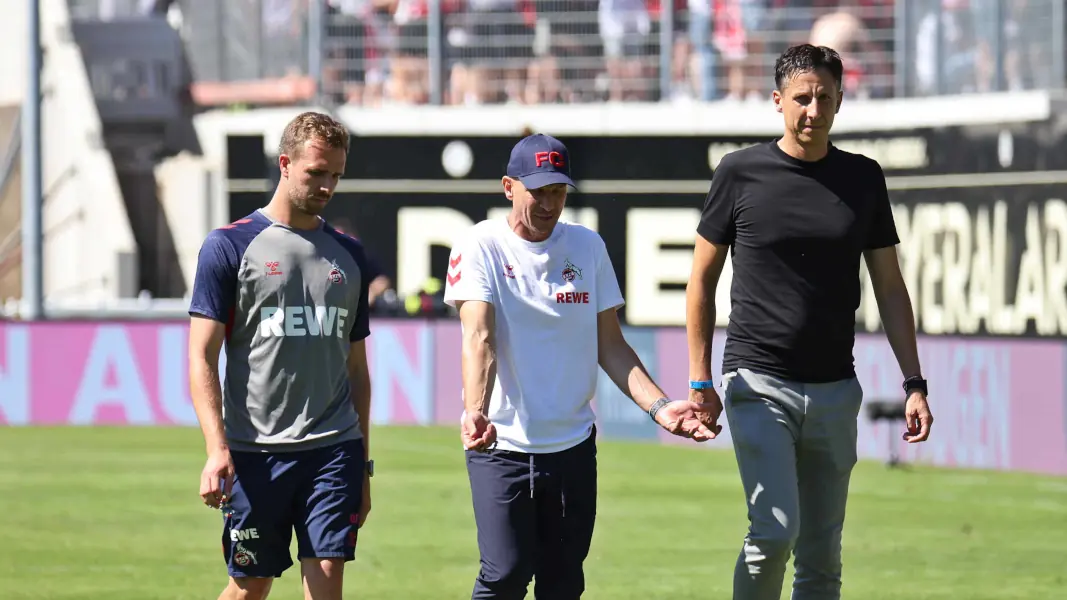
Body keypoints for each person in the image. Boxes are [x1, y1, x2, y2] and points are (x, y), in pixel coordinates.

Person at [684, 45, 934, 600]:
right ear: (778, 102)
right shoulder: (739, 173)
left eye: (825, 97)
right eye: (801, 98)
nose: (812, 109)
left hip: (834, 391)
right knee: (773, 533)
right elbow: (701, 279)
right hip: (756, 382)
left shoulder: (863, 178)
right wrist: (700, 381)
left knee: (822, 555)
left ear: (840, 101)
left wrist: (914, 383)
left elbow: (890, 287)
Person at [443, 133, 717, 600]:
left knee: (564, 582)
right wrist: (476, 410)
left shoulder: (587, 247)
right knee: (504, 575)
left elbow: (610, 346)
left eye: (558, 191)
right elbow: (479, 336)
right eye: (538, 191)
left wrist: (661, 407)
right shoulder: (479, 245)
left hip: (572, 449)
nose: (549, 203)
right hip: (501, 447)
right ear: (509, 187)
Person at [187, 111, 377, 600]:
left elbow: (357, 371)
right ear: (285, 163)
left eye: (337, 174)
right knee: (250, 587)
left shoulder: (350, 256)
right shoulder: (229, 246)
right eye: (317, 172)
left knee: (328, 580)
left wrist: (364, 464)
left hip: (334, 450)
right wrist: (216, 449)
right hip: (256, 453)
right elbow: (201, 356)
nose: (328, 185)